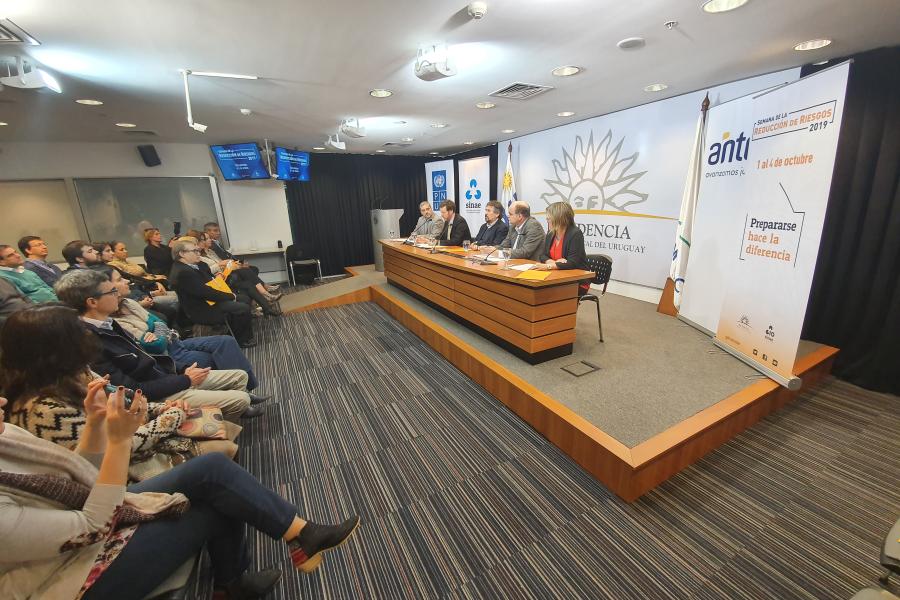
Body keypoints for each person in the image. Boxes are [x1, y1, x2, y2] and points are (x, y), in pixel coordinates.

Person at [0, 391, 360, 600]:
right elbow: (90, 528)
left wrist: (95, 426)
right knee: (217, 504)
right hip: (64, 577)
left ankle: (302, 534)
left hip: (86, 520)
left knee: (213, 473)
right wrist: (120, 440)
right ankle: (235, 582)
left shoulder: (7, 435)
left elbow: (78, 480)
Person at [1, 305, 240, 481]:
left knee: (222, 433)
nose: (86, 335)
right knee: (219, 452)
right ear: (60, 346)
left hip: (144, 425)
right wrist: (171, 416)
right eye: (78, 332)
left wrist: (160, 409)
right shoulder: (41, 408)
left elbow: (125, 400)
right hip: (119, 473)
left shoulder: (75, 372)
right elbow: (111, 449)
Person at [54, 269, 263, 420]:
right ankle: (216, 421)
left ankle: (223, 413)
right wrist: (185, 380)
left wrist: (180, 370)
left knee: (240, 376)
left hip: (167, 377)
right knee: (240, 399)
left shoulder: (108, 323)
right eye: (111, 292)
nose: (118, 294)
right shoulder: (88, 342)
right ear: (92, 302)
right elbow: (132, 390)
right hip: (160, 395)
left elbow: (150, 353)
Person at [97, 265, 262, 391]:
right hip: (166, 355)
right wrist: (154, 327)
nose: (127, 281)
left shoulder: (129, 303)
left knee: (227, 342)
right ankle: (239, 395)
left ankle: (248, 388)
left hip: (174, 340)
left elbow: (159, 322)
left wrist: (154, 329)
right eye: (119, 280)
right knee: (213, 359)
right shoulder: (111, 319)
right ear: (105, 287)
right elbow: (155, 346)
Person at [168, 239, 257, 347]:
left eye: (198, 250)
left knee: (243, 299)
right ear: (182, 254)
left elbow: (209, 284)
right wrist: (230, 296)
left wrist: (229, 296)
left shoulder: (191, 266)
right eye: (194, 251)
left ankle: (238, 331)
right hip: (202, 308)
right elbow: (205, 292)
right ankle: (241, 340)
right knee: (241, 307)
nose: (198, 253)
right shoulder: (183, 272)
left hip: (207, 301)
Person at [196, 232, 282, 314]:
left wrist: (233, 264)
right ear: (198, 242)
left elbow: (224, 261)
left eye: (206, 239)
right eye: (204, 239)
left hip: (224, 275)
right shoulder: (199, 258)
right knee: (246, 272)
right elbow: (208, 270)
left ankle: (265, 305)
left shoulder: (210, 252)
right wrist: (221, 265)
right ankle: (265, 294)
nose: (209, 240)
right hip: (220, 282)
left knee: (248, 281)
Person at [536, 202, 591, 295]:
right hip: (555, 276)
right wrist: (552, 262)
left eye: (549, 219)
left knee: (545, 293)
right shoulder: (551, 233)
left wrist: (549, 266)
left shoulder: (575, 233)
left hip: (576, 280)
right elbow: (543, 255)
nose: (547, 221)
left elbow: (572, 263)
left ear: (559, 219)